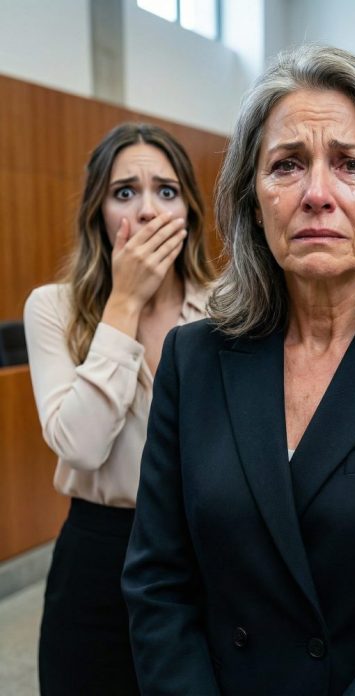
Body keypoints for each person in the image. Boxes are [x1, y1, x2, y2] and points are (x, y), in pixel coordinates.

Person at [122, 44, 355, 696]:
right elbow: (157, 582)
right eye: (287, 165)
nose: (317, 194)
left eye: (351, 165)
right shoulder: (193, 360)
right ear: (254, 201)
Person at [24, 122, 216, 695]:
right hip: (98, 550)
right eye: (124, 192)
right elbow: (80, 446)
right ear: (99, 213)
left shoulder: (228, 310)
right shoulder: (53, 308)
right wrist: (125, 302)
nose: (148, 210)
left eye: (166, 190)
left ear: (188, 211)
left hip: (205, 548)